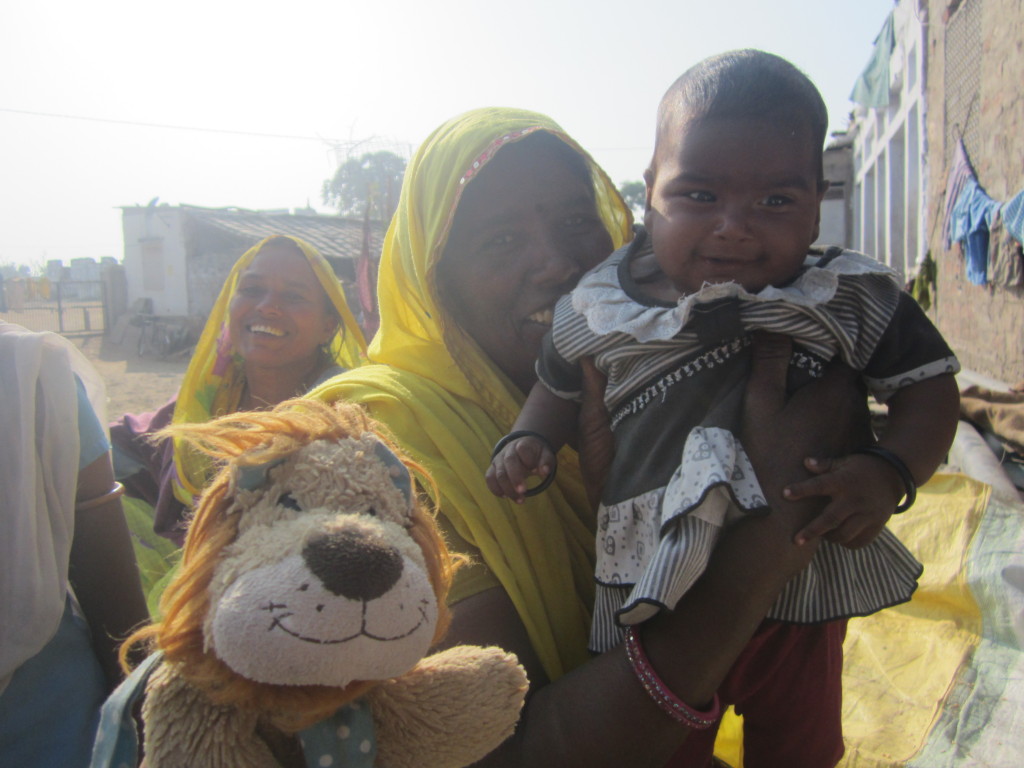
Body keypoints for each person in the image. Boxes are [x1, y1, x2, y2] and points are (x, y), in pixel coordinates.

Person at [309, 106, 873, 767]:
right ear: (437, 281)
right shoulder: (382, 446)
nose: (556, 263)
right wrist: (770, 540)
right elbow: (506, 751)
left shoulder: (651, 377)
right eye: (499, 241)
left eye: (579, 222)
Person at [486, 52, 961, 766]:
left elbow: (929, 390)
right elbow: (557, 387)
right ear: (650, 192)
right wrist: (528, 440)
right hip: (650, 584)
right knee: (666, 745)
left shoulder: (847, 295)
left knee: (799, 746)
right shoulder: (600, 302)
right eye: (699, 196)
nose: (734, 227)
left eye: (775, 202)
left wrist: (889, 469)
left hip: (798, 581)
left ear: (817, 198)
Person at [110, 234, 367, 552]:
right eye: (252, 290)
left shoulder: (345, 410)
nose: (267, 307)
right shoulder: (215, 394)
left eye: (293, 296)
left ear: (328, 326)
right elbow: (138, 438)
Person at [0, 322, 149, 767]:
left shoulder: (29, 374)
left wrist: (144, 714)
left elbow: (108, 585)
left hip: (48, 723)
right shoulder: (27, 374)